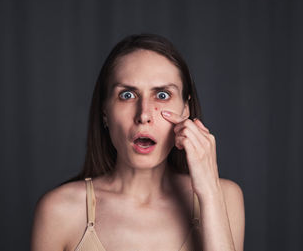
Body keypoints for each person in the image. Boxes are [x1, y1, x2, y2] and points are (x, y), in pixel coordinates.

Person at [30, 33, 245, 251]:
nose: (144, 115)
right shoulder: (60, 211)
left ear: (185, 109)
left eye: (162, 95)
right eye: (127, 95)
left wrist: (208, 191)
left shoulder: (224, 198)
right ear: (105, 112)